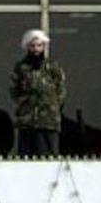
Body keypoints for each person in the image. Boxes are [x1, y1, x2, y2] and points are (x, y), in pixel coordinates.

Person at [9, 28, 67, 157]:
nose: (36, 49)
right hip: (27, 121)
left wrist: (54, 106)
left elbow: (61, 89)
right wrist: (25, 103)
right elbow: (14, 90)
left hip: (49, 121)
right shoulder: (21, 68)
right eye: (33, 46)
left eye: (39, 46)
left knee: (49, 156)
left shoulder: (53, 66)